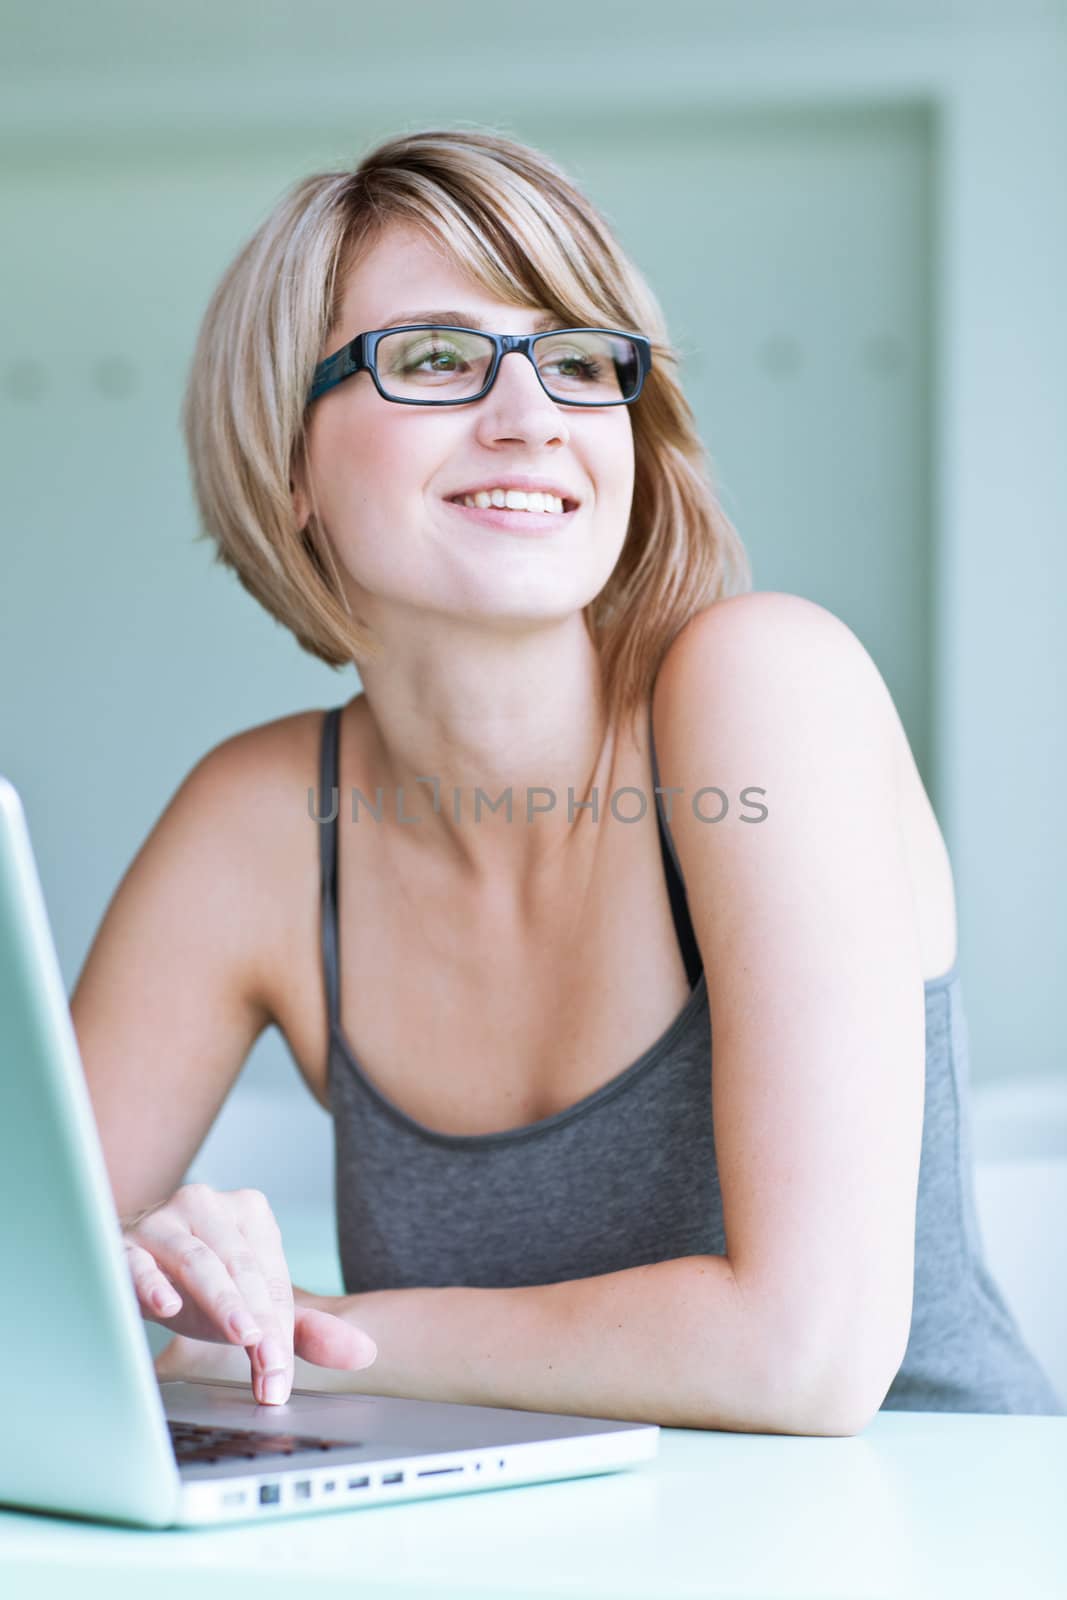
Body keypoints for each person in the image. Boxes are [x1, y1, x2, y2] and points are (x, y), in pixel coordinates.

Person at [72, 126, 1064, 1433]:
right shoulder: (256, 827)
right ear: (291, 458)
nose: (531, 417)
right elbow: (30, 1294)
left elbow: (803, 1357)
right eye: (435, 358)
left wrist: (274, 1344)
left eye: (578, 361)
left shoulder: (763, 688)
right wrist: (164, 1274)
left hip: (913, 1537)